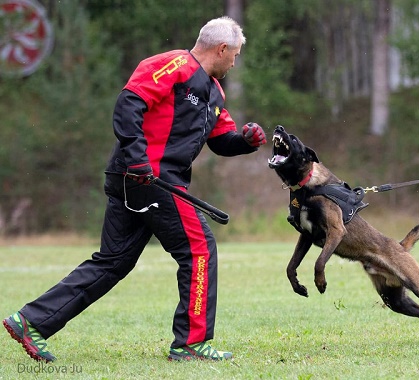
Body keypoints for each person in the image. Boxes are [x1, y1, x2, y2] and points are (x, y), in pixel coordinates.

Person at [3, 16, 266, 362]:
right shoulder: (171, 65)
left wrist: (245, 141)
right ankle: (190, 343)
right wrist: (139, 160)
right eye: (234, 55)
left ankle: (31, 321)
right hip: (148, 179)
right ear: (221, 49)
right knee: (199, 250)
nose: (234, 62)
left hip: (148, 182)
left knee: (113, 262)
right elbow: (129, 105)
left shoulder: (214, 92)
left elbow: (221, 141)